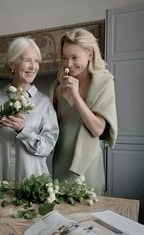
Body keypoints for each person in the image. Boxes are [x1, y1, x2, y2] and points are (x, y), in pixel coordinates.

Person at [0, 37, 59, 184]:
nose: (33, 66)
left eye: (36, 61)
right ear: (12, 64)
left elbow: (48, 147)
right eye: (27, 60)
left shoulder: (44, 103)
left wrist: (24, 130)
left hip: (32, 184)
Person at [50, 28, 118, 195]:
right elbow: (49, 127)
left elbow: (97, 129)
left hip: (88, 164)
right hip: (61, 161)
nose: (69, 64)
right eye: (65, 57)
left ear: (90, 54)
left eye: (75, 58)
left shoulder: (104, 83)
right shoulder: (57, 87)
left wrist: (76, 96)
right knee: (61, 217)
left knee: (89, 217)